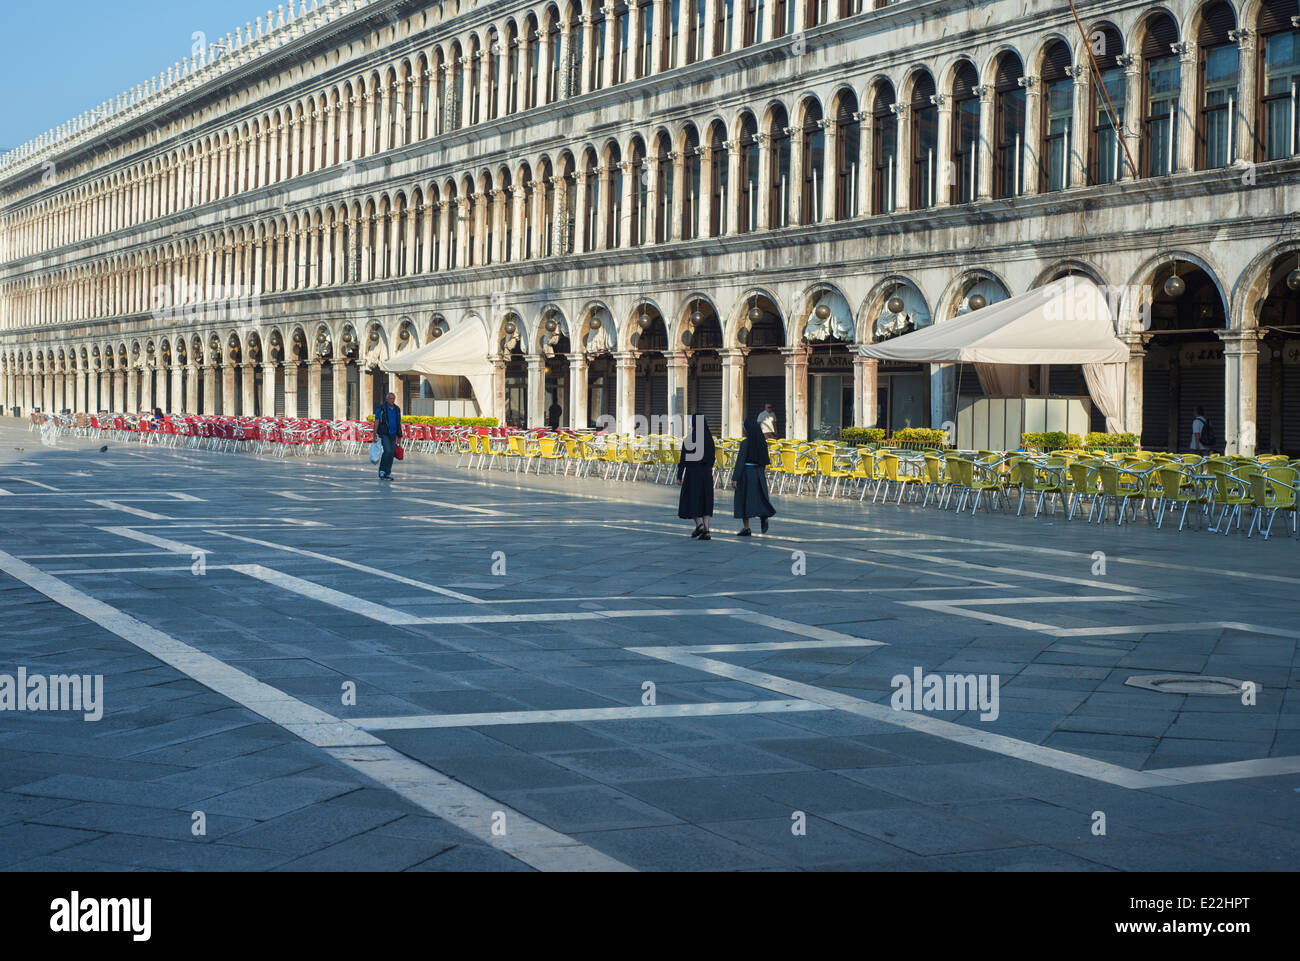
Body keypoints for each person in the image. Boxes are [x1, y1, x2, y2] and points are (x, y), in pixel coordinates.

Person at [731, 415, 775, 535]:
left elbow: (740, 461)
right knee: (760, 497)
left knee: (744, 499)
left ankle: (746, 528)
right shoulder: (762, 443)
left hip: (747, 473)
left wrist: (735, 478)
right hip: (759, 473)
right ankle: (763, 515)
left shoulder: (745, 443)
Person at [676, 414, 716, 540]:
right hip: (706, 473)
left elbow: (683, 459)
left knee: (691, 499)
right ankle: (707, 529)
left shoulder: (689, 439)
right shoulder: (710, 439)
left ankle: (699, 525)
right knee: (706, 500)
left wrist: (679, 475)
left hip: (692, 473)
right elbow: (713, 457)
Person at [373, 392, 403, 480]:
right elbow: (377, 420)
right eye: (390, 398)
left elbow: (398, 422)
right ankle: (382, 471)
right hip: (384, 433)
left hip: (393, 434)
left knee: (391, 453)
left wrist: (399, 436)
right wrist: (374, 433)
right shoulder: (381, 408)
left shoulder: (397, 409)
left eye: (393, 399)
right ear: (387, 399)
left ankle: (388, 472)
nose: (392, 400)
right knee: (388, 451)